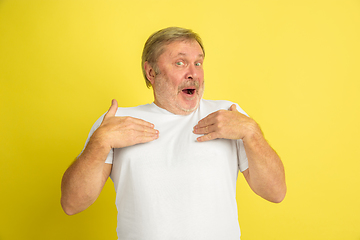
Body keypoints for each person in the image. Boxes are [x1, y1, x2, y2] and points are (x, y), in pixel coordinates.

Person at [61, 27, 286, 240]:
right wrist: (99, 142)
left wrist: (252, 132)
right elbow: (72, 204)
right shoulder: (116, 122)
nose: (193, 73)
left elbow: (275, 192)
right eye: (180, 63)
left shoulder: (228, 115)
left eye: (198, 63)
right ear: (151, 72)